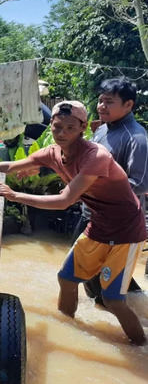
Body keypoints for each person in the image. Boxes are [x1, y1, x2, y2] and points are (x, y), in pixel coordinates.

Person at [0, 101, 146, 345]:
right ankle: (67, 329)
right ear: (51, 126)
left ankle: (140, 348)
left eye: (70, 128)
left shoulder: (95, 156)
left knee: (113, 300)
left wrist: (15, 196)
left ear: (83, 128)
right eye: (57, 128)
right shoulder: (53, 153)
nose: (62, 134)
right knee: (66, 279)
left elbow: (64, 201)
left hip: (126, 231)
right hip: (99, 225)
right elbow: (13, 166)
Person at [73, 77, 148, 304]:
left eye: (109, 102)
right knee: (85, 269)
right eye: (100, 100)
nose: (102, 106)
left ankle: (130, 317)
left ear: (128, 105)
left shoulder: (137, 137)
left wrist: (93, 187)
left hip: (119, 222)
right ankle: (130, 304)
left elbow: (141, 183)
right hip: (92, 213)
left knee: (101, 280)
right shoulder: (102, 129)